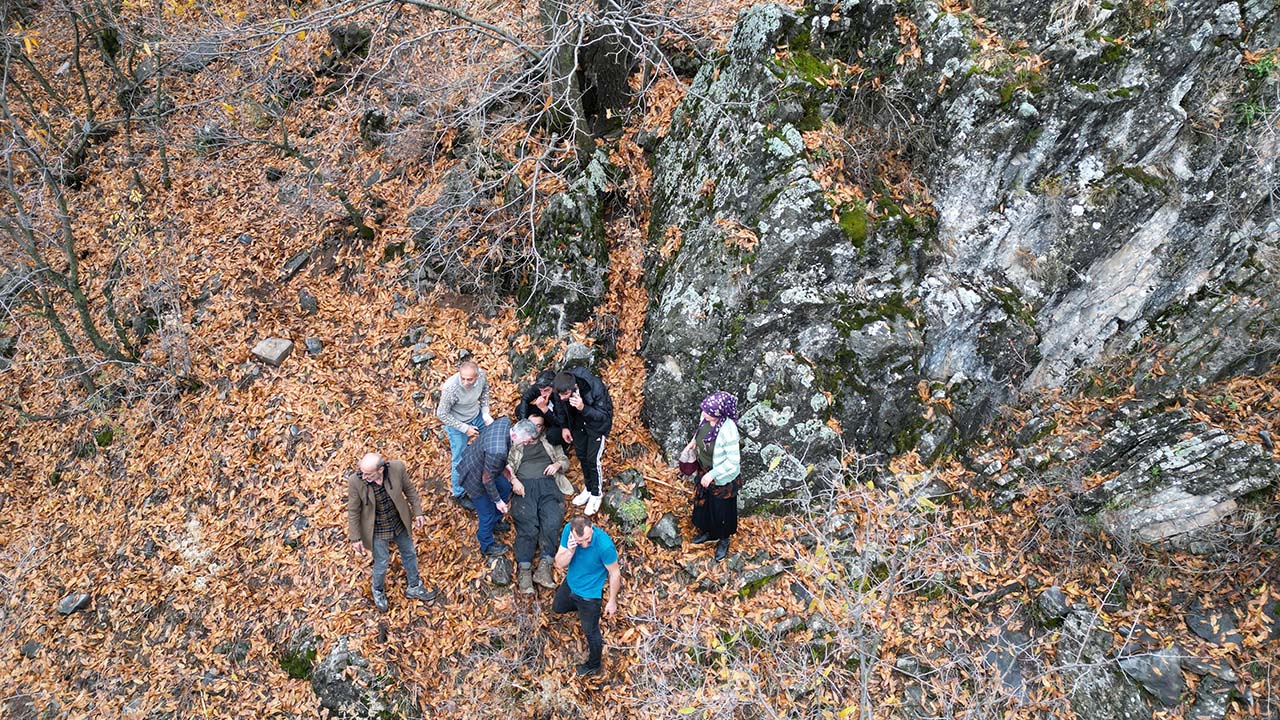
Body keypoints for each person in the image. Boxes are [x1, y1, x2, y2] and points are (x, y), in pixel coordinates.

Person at [346, 452, 436, 612]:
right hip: (377, 528)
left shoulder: (397, 468)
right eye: (362, 472)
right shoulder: (355, 481)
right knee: (381, 563)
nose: (363, 476)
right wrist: (355, 538)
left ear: (380, 470)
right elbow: (353, 511)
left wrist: (418, 512)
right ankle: (378, 590)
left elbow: (410, 491)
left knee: (409, 553)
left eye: (368, 474)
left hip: (399, 522)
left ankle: (414, 586)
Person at [508, 415, 573, 593]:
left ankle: (545, 567)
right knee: (527, 525)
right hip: (524, 486)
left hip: (548, 485)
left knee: (552, 522)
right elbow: (506, 466)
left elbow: (565, 460)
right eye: (532, 425)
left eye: (538, 426)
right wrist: (514, 481)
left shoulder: (550, 441)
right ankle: (525, 571)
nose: (535, 429)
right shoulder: (517, 441)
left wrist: (558, 465)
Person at [553, 515, 621, 677]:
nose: (584, 544)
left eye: (588, 539)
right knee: (558, 607)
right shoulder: (569, 533)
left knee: (591, 631)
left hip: (590, 595)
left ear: (592, 528)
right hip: (571, 584)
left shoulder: (604, 546)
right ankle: (578, 609)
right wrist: (570, 550)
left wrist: (612, 600)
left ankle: (594, 664)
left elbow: (614, 573)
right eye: (580, 541)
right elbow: (560, 563)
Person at [458, 417, 537, 557]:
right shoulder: (498, 451)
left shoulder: (505, 423)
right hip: (475, 476)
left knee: (505, 487)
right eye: (525, 442)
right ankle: (486, 545)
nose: (525, 444)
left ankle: (496, 521)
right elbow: (486, 480)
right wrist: (498, 501)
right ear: (515, 435)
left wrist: (505, 466)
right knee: (486, 514)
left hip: (487, 464)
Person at [682, 391, 741, 562]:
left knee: (721, 510)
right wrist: (694, 442)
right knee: (705, 504)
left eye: (708, 412)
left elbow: (733, 462)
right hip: (705, 470)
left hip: (723, 478)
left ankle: (723, 539)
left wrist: (713, 474)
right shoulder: (706, 416)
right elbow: (700, 431)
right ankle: (707, 531)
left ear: (718, 414)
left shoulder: (729, 431)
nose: (704, 413)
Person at [550, 368, 613, 516]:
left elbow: (603, 416)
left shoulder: (594, 388)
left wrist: (583, 407)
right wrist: (565, 426)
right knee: (582, 456)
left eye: (565, 395)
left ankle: (596, 494)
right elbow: (559, 408)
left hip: (596, 427)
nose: (561, 397)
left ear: (574, 388)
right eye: (559, 394)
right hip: (577, 424)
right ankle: (589, 488)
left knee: (593, 459)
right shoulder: (560, 388)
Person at [437, 359, 494, 511]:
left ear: (476, 376)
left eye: (469, 379)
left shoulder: (482, 376)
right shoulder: (452, 388)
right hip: (457, 423)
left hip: (476, 416)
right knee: (458, 459)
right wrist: (464, 428)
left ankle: (490, 472)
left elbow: (485, 393)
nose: (466, 382)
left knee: (492, 440)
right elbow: (442, 414)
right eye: (463, 378)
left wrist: (486, 413)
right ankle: (459, 493)